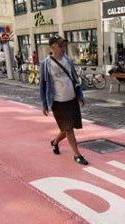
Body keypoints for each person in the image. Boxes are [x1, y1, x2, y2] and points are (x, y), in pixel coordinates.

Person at [39, 35, 88, 165]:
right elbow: (42, 86)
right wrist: (44, 104)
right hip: (58, 102)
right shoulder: (45, 64)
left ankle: (54, 142)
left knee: (67, 128)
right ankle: (77, 155)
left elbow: (75, 80)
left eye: (64, 45)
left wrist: (80, 96)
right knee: (69, 128)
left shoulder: (68, 60)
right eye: (60, 45)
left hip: (71, 100)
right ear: (52, 47)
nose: (63, 48)